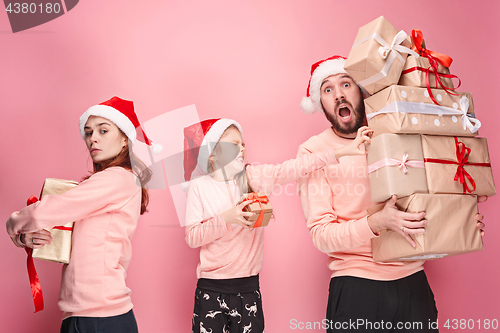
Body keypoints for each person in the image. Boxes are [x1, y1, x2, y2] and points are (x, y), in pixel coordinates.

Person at [297, 55, 486, 332]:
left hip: (414, 284)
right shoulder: (313, 152)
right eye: (327, 89)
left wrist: (462, 216)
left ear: (360, 90)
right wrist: (377, 222)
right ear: (320, 103)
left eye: (346, 84)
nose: (338, 95)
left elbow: (434, 189)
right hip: (356, 288)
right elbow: (322, 235)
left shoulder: (396, 131)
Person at [183, 118, 372, 333]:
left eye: (243, 144)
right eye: (234, 144)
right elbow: (192, 237)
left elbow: (294, 167)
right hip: (210, 290)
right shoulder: (198, 187)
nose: (242, 149)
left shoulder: (253, 177)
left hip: (248, 290)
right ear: (213, 153)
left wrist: (341, 151)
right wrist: (228, 217)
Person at [6, 96, 157, 333]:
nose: (93, 138)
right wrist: (24, 238)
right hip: (86, 313)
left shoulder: (118, 178)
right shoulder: (103, 183)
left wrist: (13, 222)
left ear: (125, 140)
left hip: (102, 317)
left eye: (103, 130)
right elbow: (62, 231)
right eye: (88, 132)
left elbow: (49, 210)